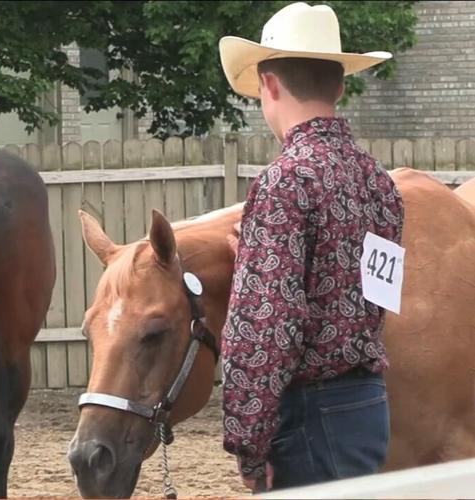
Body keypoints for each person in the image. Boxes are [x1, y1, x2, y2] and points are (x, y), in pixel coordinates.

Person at [217, 2, 405, 493]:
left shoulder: (285, 182)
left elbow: (267, 325)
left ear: (269, 85)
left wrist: (248, 441)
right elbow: (376, 298)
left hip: (309, 416)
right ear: (340, 85)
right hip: (367, 406)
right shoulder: (379, 183)